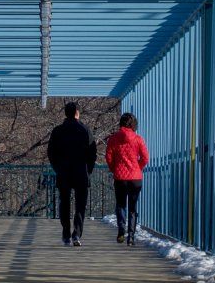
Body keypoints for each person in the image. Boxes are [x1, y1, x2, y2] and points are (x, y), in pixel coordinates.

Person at [46, 102, 96, 246]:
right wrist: (88, 170)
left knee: (64, 202)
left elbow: (51, 152)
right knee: (80, 204)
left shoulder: (57, 131)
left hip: (64, 172)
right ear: (77, 113)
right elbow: (92, 153)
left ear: (65, 113)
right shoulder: (85, 130)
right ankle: (77, 234)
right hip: (81, 171)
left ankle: (66, 233)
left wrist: (57, 167)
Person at [104, 112, 149, 244]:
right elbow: (145, 158)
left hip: (120, 178)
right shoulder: (138, 139)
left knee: (121, 205)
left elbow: (109, 157)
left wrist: (114, 169)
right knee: (133, 207)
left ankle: (120, 231)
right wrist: (137, 168)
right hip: (135, 179)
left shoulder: (113, 139)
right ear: (134, 124)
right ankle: (131, 237)